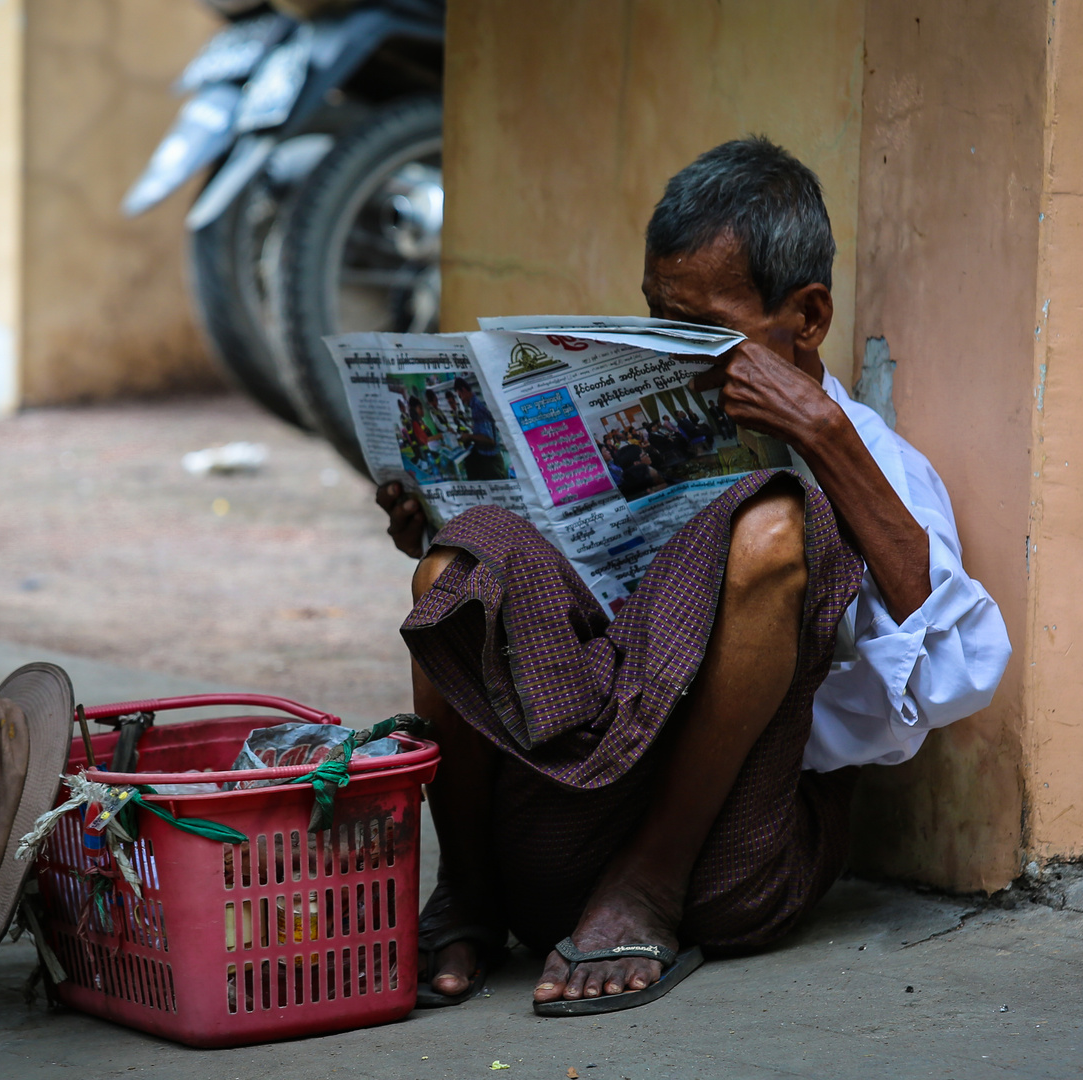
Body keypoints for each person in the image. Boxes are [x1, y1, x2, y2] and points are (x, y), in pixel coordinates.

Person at [376, 136, 1010, 1015]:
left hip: (728, 849)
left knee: (775, 522)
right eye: (653, 317)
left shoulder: (879, 466)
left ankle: (647, 886)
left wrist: (825, 440)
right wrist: (445, 523)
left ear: (809, 319)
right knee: (463, 560)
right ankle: (470, 892)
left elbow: (962, 674)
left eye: (701, 332)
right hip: (568, 810)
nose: (670, 352)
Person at [453, 377, 507, 481]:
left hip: (491, 462)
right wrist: (474, 429)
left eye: (460, 396)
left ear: (464, 390)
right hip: (490, 459)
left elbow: (489, 440)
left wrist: (469, 436)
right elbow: (486, 428)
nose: (462, 400)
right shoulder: (475, 407)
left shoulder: (477, 409)